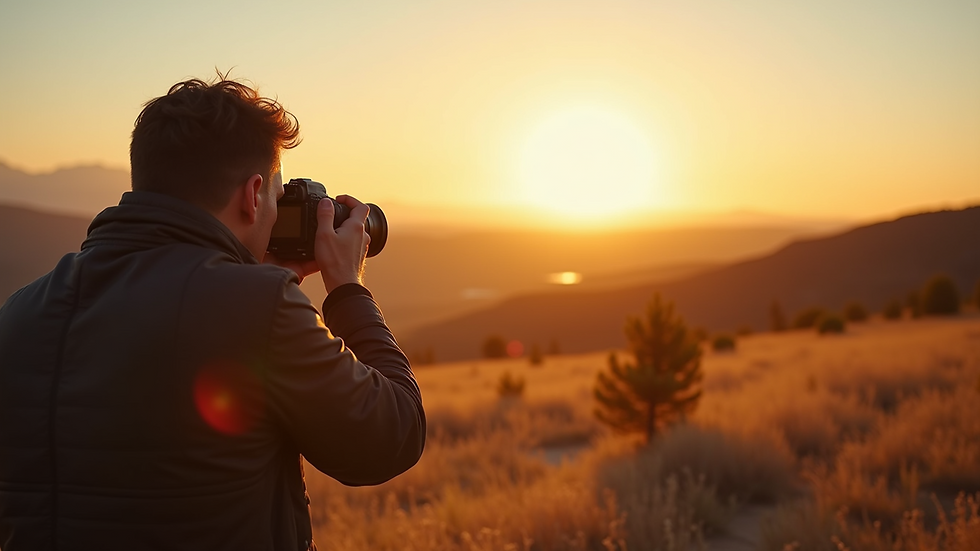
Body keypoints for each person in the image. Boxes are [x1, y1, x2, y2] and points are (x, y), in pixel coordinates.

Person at [0, 77, 425, 550]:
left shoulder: (19, 313)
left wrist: (240, 273)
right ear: (253, 194)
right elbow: (390, 439)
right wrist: (347, 287)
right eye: (275, 198)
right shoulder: (258, 309)